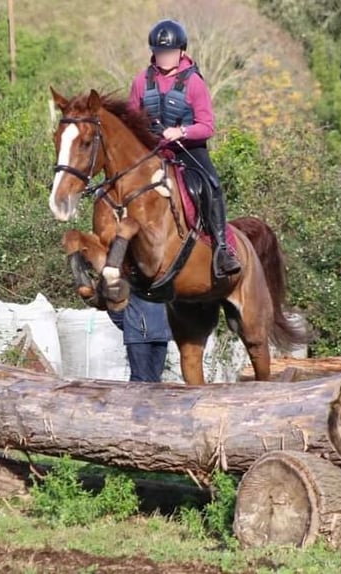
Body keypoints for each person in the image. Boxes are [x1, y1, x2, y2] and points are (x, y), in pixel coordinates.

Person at [128, 18, 241, 278]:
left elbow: (207, 126)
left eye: (168, 52)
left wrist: (181, 131)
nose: (164, 57)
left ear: (181, 51)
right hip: (154, 150)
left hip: (188, 149)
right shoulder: (140, 83)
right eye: (159, 52)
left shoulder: (194, 83)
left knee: (210, 184)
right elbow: (131, 120)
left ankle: (222, 249)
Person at [107, 293, 171, 382]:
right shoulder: (130, 282)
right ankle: (136, 396)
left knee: (155, 378)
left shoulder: (162, 283)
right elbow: (114, 307)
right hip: (138, 337)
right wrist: (131, 326)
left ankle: (153, 396)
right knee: (140, 378)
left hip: (161, 335)